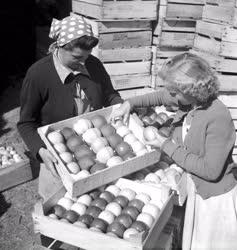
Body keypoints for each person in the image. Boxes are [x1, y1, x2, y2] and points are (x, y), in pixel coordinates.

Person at [110, 53, 237, 250]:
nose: (171, 95)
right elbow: (160, 96)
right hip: (193, 190)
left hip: (212, 201)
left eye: (175, 92)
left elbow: (210, 171)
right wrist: (130, 103)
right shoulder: (189, 101)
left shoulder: (217, 116)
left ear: (191, 89)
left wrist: (166, 145)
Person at [17, 15, 122, 198]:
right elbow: (26, 123)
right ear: (60, 47)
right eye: (77, 57)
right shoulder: (38, 75)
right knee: (60, 208)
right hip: (59, 158)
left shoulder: (93, 65)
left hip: (98, 150)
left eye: (87, 56)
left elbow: (109, 94)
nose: (83, 62)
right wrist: (41, 150)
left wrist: (121, 106)